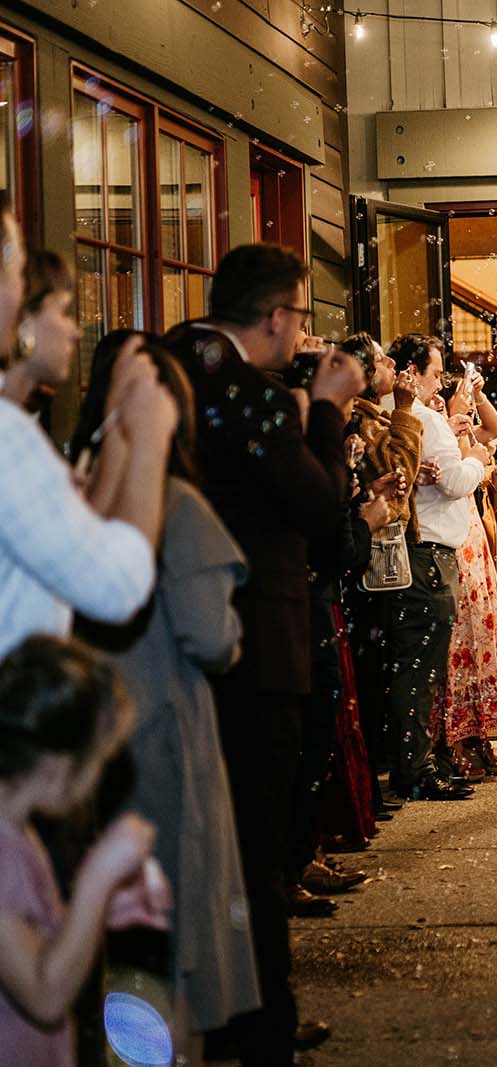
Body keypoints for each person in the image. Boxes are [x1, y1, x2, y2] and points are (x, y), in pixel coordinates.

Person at [166, 242, 362, 1063]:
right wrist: (325, 410)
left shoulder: (177, 364)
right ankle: (260, 1023)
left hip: (184, 629)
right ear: (278, 317)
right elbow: (321, 510)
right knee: (253, 834)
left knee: (203, 836)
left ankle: (204, 1005)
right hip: (258, 637)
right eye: (301, 318)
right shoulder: (252, 396)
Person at [67, 331, 261, 1056]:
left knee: (121, 941)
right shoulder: (179, 507)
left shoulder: (78, 489)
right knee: (176, 932)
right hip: (166, 732)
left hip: (94, 736)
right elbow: (212, 637)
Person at [0, 213, 175, 659]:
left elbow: (78, 546)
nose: (18, 290)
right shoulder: (8, 435)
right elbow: (115, 589)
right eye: (15, 272)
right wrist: (150, 438)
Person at [0, 636, 171, 1067]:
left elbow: (37, 948)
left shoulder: (20, 830)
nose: (98, 780)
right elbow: (45, 994)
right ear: (58, 763)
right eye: (98, 760)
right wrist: (99, 876)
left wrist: (95, 910)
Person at [384, 332, 485, 800]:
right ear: (412, 373)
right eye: (435, 369)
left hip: (406, 550)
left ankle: (410, 762)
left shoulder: (387, 413)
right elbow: (453, 481)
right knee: (420, 667)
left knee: (405, 664)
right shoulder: (422, 417)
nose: (440, 379)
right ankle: (417, 769)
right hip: (429, 555)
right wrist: (479, 462)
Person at [342, 333, 423, 819]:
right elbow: (400, 472)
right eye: (381, 360)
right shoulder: (363, 418)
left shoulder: (371, 415)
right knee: (373, 675)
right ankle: (372, 779)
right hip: (365, 561)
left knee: (380, 670)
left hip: (376, 556)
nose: (392, 364)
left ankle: (370, 781)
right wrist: (408, 410)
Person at [435, 369, 497, 780]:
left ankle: (479, 734)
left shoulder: (466, 434)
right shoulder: (439, 432)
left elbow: (495, 429)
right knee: (459, 644)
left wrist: (477, 394)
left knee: (480, 637)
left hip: (475, 540)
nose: (469, 405)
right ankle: (454, 739)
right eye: (463, 397)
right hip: (454, 542)